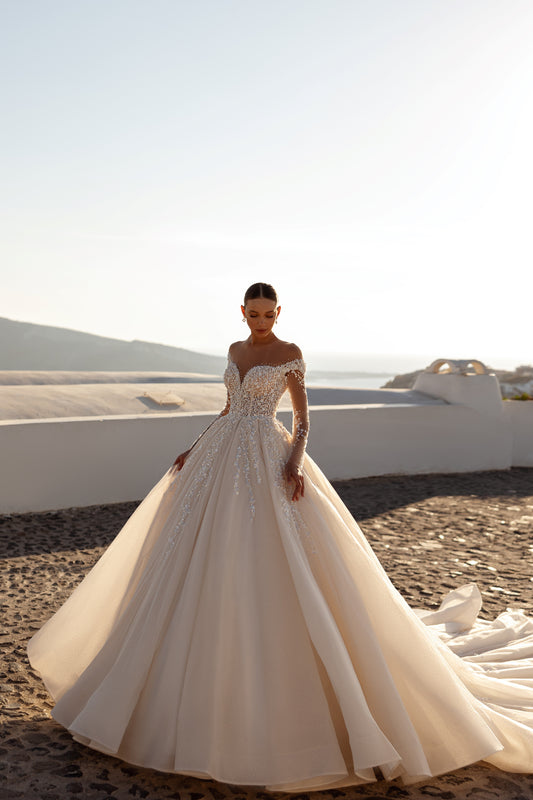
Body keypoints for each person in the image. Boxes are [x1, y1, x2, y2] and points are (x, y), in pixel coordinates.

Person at [28, 282, 533, 792]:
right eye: (253, 313)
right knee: (192, 555)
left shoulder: (289, 354)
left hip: (268, 456)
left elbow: (303, 418)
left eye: (268, 313)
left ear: (278, 313)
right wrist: (192, 447)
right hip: (221, 454)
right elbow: (228, 411)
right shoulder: (234, 350)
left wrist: (292, 464)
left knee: (278, 559)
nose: (261, 321)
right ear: (242, 312)